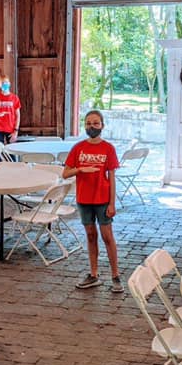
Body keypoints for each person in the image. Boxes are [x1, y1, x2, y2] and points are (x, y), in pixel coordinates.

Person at [63, 110, 122, 293]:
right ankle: (93, 274)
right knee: (90, 236)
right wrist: (80, 170)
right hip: (84, 199)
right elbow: (65, 173)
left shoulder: (108, 148)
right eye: (88, 123)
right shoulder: (78, 148)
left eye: (95, 123)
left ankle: (115, 275)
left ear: (102, 125)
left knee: (107, 236)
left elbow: (112, 178)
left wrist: (112, 204)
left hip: (103, 199)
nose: (92, 126)